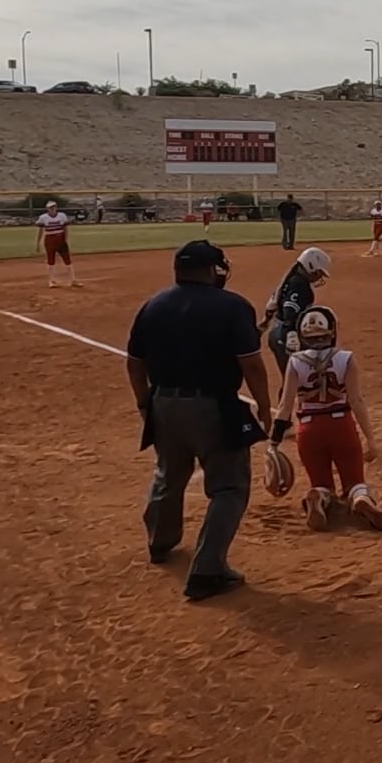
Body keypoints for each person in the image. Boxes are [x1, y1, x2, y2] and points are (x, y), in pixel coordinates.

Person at [126, 241, 274, 601]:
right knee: (229, 488)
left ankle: (159, 542)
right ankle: (208, 571)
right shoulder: (233, 306)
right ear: (212, 270)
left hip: (164, 404)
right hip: (214, 407)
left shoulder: (154, 304)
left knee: (168, 474)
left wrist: (144, 403)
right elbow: (251, 364)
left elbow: (134, 362)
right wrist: (264, 407)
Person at [276, 306, 382, 531]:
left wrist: (273, 442)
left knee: (321, 483)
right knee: (355, 481)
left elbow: (284, 406)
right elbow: (356, 401)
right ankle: (360, 498)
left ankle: (318, 495)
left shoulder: (295, 362)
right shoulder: (345, 359)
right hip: (341, 425)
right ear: (331, 331)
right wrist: (370, 439)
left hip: (308, 429)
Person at [262, 247, 332, 373]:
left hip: (278, 330)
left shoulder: (291, 278)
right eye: (319, 272)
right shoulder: (299, 285)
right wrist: (291, 334)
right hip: (285, 333)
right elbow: (289, 311)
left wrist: (266, 322)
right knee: (296, 378)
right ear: (310, 266)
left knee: (291, 377)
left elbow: (272, 305)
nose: (319, 277)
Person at [35, 200, 80, 288]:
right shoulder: (43, 217)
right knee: (51, 261)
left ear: (56, 207)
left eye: (54, 207)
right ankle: (52, 281)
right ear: (47, 209)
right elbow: (40, 231)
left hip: (60, 239)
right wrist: (38, 243)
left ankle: (73, 280)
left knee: (67, 260)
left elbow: (65, 228)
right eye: (50, 208)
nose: (52, 209)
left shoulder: (62, 216)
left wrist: (65, 239)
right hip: (49, 240)